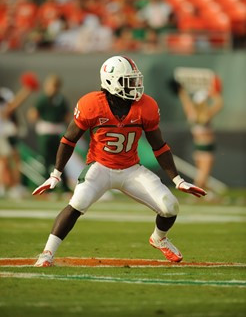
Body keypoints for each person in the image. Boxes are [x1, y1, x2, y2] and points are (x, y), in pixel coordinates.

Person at [33, 56, 206, 267]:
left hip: (131, 169)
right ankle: (47, 253)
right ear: (111, 82)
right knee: (77, 203)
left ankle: (159, 238)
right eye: (128, 81)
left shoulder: (146, 106)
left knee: (170, 207)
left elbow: (159, 145)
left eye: (135, 80)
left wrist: (177, 180)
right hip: (100, 167)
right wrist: (56, 174)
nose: (135, 86)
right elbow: (69, 139)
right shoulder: (92, 104)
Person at [176, 77, 223, 191]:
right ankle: (194, 194)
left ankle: (205, 196)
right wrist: (215, 93)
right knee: (202, 176)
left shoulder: (192, 115)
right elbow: (219, 104)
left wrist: (182, 92)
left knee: (202, 176)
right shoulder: (205, 116)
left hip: (198, 151)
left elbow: (186, 102)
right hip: (206, 152)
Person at [27, 74, 71, 193]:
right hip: (45, 132)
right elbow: (33, 114)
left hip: (57, 131)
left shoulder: (61, 100)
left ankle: (65, 187)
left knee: (60, 160)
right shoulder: (42, 99)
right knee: (46, 160)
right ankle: (47, 189)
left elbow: (67, 116)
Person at [0, 72, 39, 197]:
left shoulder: (4, 93)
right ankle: (12, 187)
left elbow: (10, 109)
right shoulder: (5, 94)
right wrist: (26, 91)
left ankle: (7, 187)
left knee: (6, 160)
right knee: (11, 160)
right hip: (4, 133)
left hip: (6, 132)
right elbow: (9, 110)